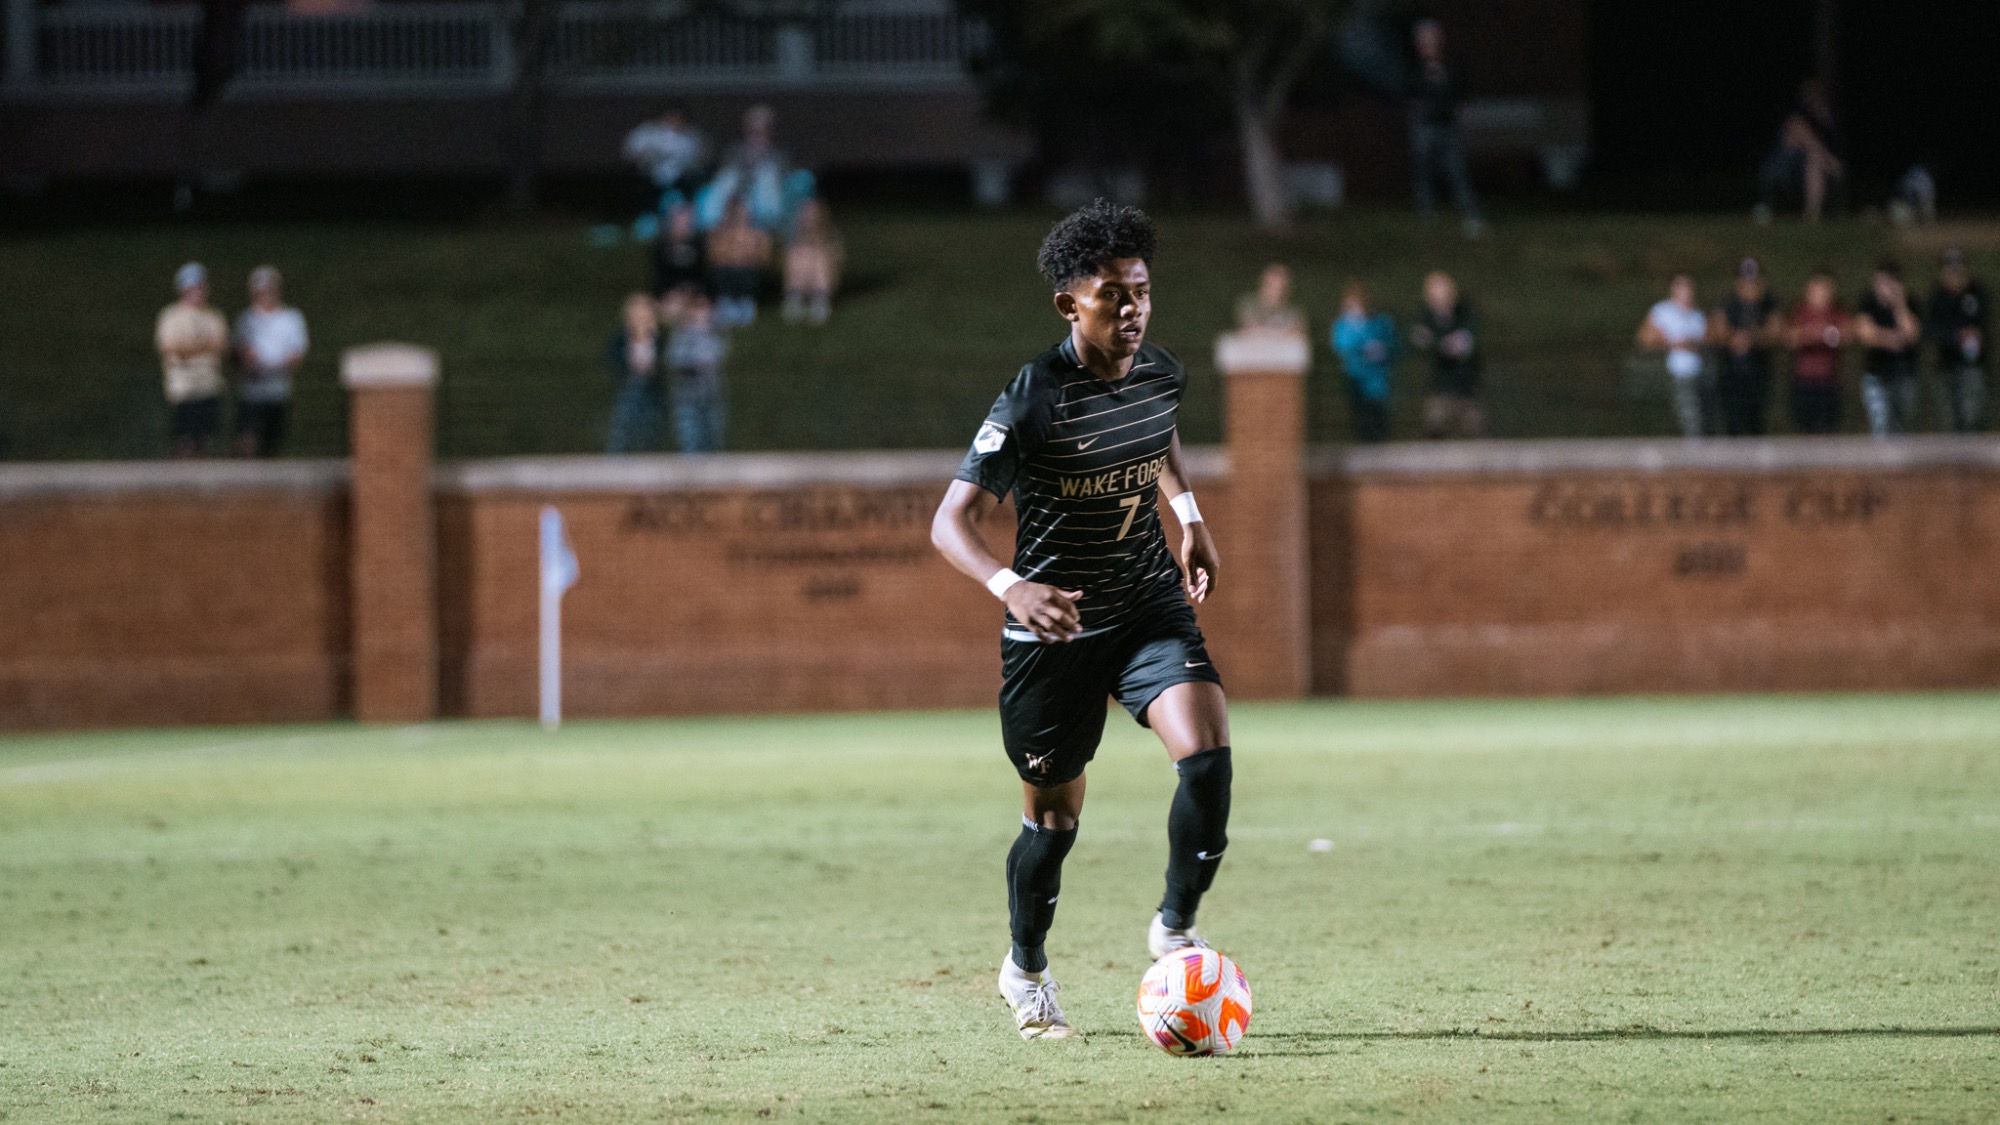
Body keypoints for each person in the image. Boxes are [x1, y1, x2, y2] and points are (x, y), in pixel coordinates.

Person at [930, 200, 1234, 1041]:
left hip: (1145, 603)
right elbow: (947, 521)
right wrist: (1009, 584)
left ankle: (1174, 927)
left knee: (1206, 757)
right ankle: (1024, 967)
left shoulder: (1161, 371)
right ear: (1070, 305)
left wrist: (1191, 517)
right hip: (1054, 631)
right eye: (1113, 296)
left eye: (1141, 292)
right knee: (1053, 821)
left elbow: (1159, 430)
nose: (1132, 310)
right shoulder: (1033, 397)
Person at [1406, 18, 1485, 239]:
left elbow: (1462, 97)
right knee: (1424, 176)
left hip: (1449, 128)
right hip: (1425, 130)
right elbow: (1411, 99)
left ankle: (1472, 217)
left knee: (1458, 174)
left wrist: (1466, 120)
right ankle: (1428, 219)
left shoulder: (1451, 66)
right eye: (1423, 41)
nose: (1427, 44)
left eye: (1431, 39)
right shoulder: (1415, 71)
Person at [231, 265, 308, 458]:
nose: (266, 294)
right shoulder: (246, 319)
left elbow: (297, 354)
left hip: (279, 392)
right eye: (261, 290)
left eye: (270, 289)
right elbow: (241, 353)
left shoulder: (291, 318)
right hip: (252, 393)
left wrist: (273, 364)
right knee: (248, 441)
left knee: (273, 445)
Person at [155, 262, 230, 458]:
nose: (198, 291)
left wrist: (190, 349)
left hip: (209, 385)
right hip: (183, 389)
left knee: (204, 441)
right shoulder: (171, 316)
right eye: (193, 286)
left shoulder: (214, 316)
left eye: (200, 286)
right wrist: (205, 347)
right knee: (183, 439)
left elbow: (221, 344)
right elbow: (171, 347)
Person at [1711, 258, 1783, 436]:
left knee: (1756, 424)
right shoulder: (1729, 303)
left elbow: (1775, 330)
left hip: (1758, 374)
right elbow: (1717, 331)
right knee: (1733, 424)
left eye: (1754, 281)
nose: (1750, 286)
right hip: (1732, 375)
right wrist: (1733, 339)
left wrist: (1751, 338)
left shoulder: (1768, 304)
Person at [1755, 79, 1843, 224]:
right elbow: (1811, 144)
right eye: (1813, 98)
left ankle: (1812, 214)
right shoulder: (1796, 119)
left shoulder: (1825, 126)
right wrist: (1831, 162)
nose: (1818, 104)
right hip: (1781, 170)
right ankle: (1811, 214)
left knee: (1817, 160)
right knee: (1817, 157)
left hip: (1804, 174)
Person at [1853, 259, 1924, 436]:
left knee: (1903, 428)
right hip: (1876, 375)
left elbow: (1912, 334)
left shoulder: (1912, 303)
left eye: (1885, 283)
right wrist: (1892, 339)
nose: (1880, 287)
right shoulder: (1867, 302)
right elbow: (1866, 334)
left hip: (1905, 375)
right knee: (1881, 426)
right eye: (1878, 282)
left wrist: (1899, 303)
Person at [1409, 271, 1483, 438]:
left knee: (1479, 432)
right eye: (1437, 296)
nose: (1443, 300)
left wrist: (1442, 343)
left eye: (1446, 294)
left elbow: (1468, 342)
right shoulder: (1425, 317)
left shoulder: (1465, 312)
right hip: (1439, 387)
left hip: (1467, 386)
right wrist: (1442, 344)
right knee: (1435, 431)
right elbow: (1422, 342)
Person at [1638, 274, 1712, 438]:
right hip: (1675, 371)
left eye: (1689, 288)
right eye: (1682, 287)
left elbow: (1705, 341)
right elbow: (1645, 338)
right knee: (1687, 411)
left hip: (1697, 372)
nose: (1687, 292)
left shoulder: (1697, 315)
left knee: (1699, 412)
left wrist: (1692, 344)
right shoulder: (1663, 311)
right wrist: (1673, 343)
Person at [1924, 248, 1988, 432]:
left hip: (1972, 366)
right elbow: (1930, 331)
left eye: (1958, 271)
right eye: (1950, 271)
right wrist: (1955, 336)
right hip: (1945, 367)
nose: (1954, 276)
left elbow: (1984, 326)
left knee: (1971, 417)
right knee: (1949, 422)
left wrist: (1975, 336)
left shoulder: (1977, 293)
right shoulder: (1937, 297)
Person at [1331, 281, 1398, 443]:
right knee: (1361, 417)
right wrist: (1362, 349)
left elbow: (1394, 344)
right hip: (1356, 379)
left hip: (1378, 380)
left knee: (1379, 417)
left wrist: (1383, 350)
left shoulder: (1381, 322)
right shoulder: (1342, 325)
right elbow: (1341, 346)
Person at [1787, 269, 1848, 434]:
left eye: (1826, 289)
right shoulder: (1801, 311)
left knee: (1827, 433)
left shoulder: (1837, 311)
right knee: (1804, 433)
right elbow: (1791, 338)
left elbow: (1847, 334)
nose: (1822, 294)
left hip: (1829, 381)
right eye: (1818, 289)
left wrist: (1823, 335)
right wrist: (1816, 334)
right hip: (1804, 381)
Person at [605, 293, 667, 454]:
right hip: (627, 389)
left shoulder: (660, 340)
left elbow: (665, 363)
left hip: (653, 392)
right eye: (637, 314)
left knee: (649, 431)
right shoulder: (620, 340)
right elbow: (612, 360)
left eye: (644, 313)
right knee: (622, 430)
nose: (641, 318)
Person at [666, 292, 727, 452]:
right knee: (690, 435)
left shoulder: (714, 336)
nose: (702, 315)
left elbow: (720, 357)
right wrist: (693, 363)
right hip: (688, 397)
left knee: (712, 435)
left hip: (711, 395)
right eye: (697, 311)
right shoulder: (682, 337)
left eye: (705, 311)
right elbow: (675, 359)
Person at [622, 106, 705, 210]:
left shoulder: (690, 137)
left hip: (680, 182)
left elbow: (698, 161)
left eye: (677, 118)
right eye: (670, 117)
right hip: (648, 180)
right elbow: (630, 154)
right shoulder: (646, 133)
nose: (674, 121)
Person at [708, 198, 772, 328]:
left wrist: (746, 258)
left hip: (749, 269)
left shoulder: (758, 232)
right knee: (726, 270)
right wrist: (733, 258)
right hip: (727, 269)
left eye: (743, 211)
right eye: (736, 211)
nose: (740, 215)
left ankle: (746, 306)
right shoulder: (718, 231)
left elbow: (765, 257)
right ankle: (727, 305)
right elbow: (714, 256)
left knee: (746, 270)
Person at [781, 198, 843, 325]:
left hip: (821, 275)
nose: (809, 218)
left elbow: (837, 256)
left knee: (819, 257)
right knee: (799, 255)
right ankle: (796, 298)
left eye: (813, 213)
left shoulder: (830, 234)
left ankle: (819, 300)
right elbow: (785, 258)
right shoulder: (794, 234)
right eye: (806, 213)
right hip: (801, 276)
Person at [649, 201, 707, 301]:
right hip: (669, 294)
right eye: (679, 221)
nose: (683, 225)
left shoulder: (699, 245)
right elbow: (659, 278)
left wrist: (691, 290)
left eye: (686, 221)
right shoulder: (661, 248)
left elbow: (703, 275)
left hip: (696, 293)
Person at [1235, 263, 1306, 336]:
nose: (1275, 290)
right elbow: (1248, 327)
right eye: (1271, 284)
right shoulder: (1248, 303)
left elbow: (1299, 332)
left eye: (1280, 285)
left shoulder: (1294, 310)